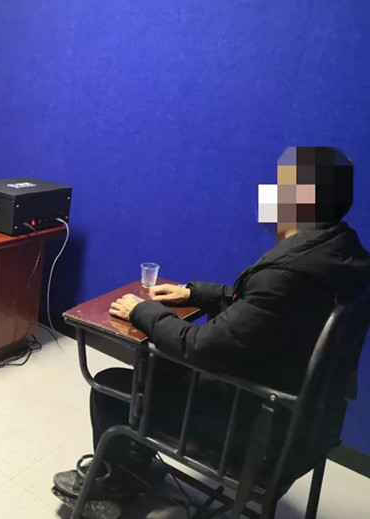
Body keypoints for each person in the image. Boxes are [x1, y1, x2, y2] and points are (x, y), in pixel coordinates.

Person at [53, 146, 370, 504]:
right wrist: (195, 293)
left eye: (278, 186)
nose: (267, 195)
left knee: (112, 387)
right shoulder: (343, 255)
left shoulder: (287, 275)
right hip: (309, 427)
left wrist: (142, 311)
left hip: (253, 431)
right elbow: (263, 312)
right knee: (159, 367)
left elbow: (200, 347)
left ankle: (114, 484)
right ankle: (134, 464)